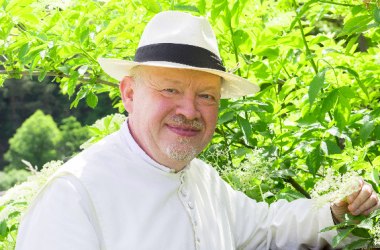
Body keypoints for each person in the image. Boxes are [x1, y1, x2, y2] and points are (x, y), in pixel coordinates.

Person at [16, 11, 379, 250]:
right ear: (129, 93)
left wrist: (335, 211)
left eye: (206, 95)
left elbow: (267, 228)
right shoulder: (74, 195)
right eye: (170, 89)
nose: (189, 110)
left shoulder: (203, 180)